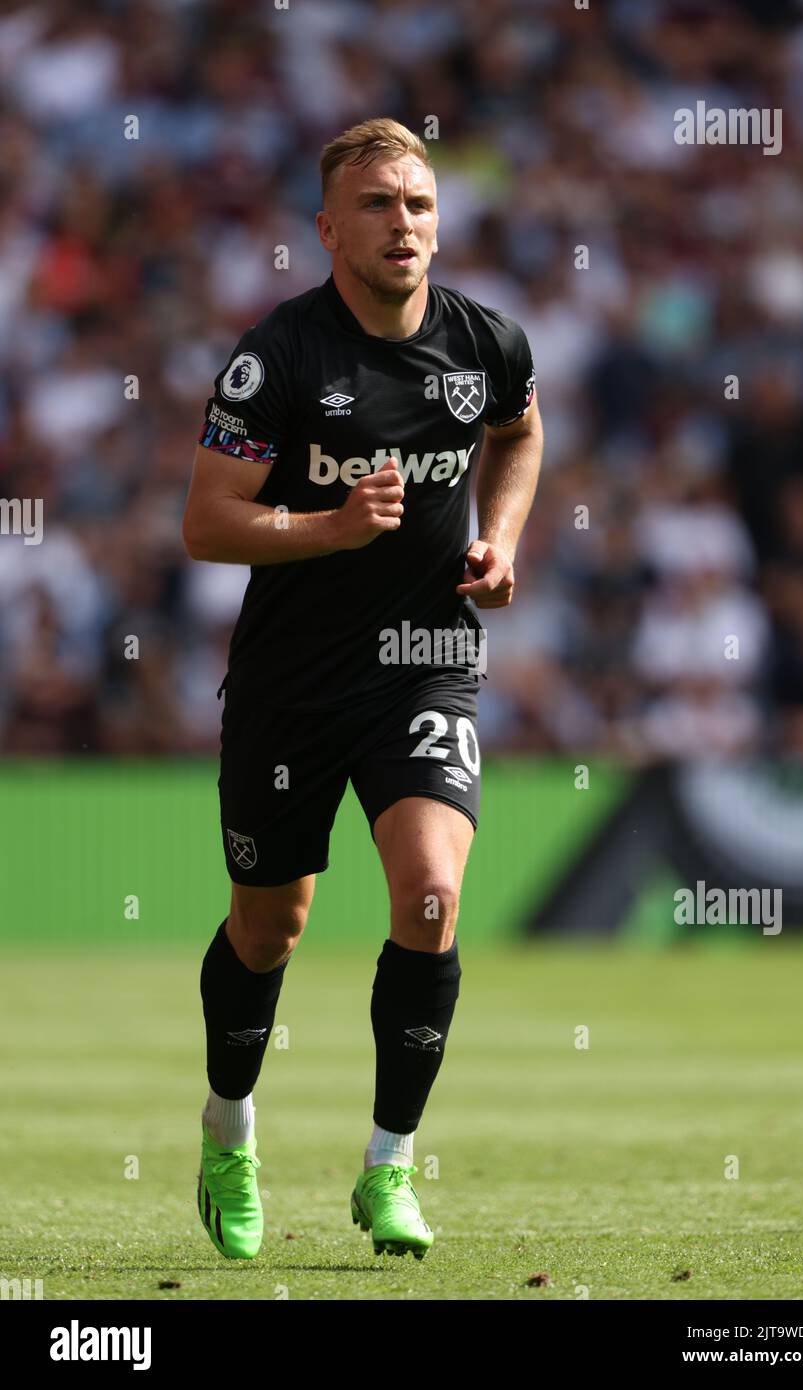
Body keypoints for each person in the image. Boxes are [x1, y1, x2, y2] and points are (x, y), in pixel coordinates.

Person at [182, 117, 543, 1261]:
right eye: (381, 205)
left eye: (421, 204)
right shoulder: (277, 357)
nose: (405, 223)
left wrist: (501, 537)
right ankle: (230, 1128)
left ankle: (389, 1166)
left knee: (431, 898)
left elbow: (520, 434)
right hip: (291, 682)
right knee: (267, 927)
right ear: (329, 228)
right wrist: (329, 526)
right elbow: (204, 522)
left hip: (427, 662)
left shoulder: (487, 341)